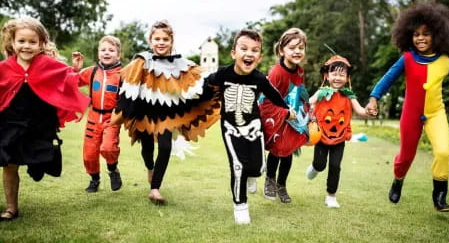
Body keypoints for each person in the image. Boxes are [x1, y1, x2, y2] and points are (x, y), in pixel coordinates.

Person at [365, 0, 449, 212]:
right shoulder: (407, 58)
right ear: (409, 36)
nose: (420, 38)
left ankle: (440, 196)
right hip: (410, 114)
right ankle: (398, 180)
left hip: (436, 114)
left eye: (426, 33)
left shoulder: (445, 61)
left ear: (438, 34)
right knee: (406, 157)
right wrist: (374, 98)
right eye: (416, 34)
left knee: (444, 152)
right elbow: (387, 79)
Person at [112, 20, 220, 204]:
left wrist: (224, 77)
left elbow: (200, 80)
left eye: (165, 39)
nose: (161, 42)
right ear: (150, 40)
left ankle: (155, 188)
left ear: (171, 41)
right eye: (157, 39)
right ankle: (149, 167)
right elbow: (127, 82)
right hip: (143, 114)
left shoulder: (181, 64)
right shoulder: (141, 61)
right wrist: (124, 112)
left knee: (165, 147)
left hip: (167, 115)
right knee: (147, 149)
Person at [0, 17, 90, 221]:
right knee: (9, 164)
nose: (26, 46)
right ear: (12, 42)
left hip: (39, 124)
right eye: (21, 41)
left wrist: (75, 70)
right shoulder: (4, 67)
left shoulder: (47, 64)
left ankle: (44, 162)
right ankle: (11, 208)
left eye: (32, 42)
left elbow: (66, 80)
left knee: (39, 163)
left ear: (41, 44)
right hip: (11, 123)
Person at [204, 28, 296, 224]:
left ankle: (251, 175)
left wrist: (288, 111)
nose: (249, 53)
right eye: (244, 48)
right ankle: (240, 205)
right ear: (233, 53)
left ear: (259, 57)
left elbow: (275, 97)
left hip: (254, 126)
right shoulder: (222, 74)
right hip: (229, 127)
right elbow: (202, 89)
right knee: (238, 166)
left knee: (257, 168)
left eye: (255, 50)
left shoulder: (260, 79)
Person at [306, 55, 371, 208]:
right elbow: (308, 102)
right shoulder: (322, 92)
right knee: (320, 165)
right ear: (327, 76)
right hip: (321, 136)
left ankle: (331, 196)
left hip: (339, 137)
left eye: (342, 74)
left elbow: (361, 111)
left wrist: (369, 110)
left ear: (347, 77)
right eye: (334, 73)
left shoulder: (349, 96)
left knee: (335, 166)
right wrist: (311, 108)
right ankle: (315, 167)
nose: (337, 77)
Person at [257, 27, 310, 204]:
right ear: (282, 50)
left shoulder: (300, 71)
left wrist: (307, 113)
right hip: (279, 117)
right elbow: (266, 99)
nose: (297, 51)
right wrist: (284, 113)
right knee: (277, 151)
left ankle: (282, 185)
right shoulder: (276, 73)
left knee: (288, 152)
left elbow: (300, 92)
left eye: (300, 48)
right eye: (292, 47)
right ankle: (270, 180)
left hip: (294, 119)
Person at [71, 35, 123, 193]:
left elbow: (131, 96)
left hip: (112, 117)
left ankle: (113, 170)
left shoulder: (123, 74)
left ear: (118, 54)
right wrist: (76, 69)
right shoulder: (92, 71)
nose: (107, 53)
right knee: (89, 153)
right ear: (98, 53)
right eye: (103, 50)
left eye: (111, 50)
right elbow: (73, 81)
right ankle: (94, 180)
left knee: (108, 148)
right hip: (93, 116)